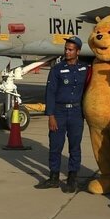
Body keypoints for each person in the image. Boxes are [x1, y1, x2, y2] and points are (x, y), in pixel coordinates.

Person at [36, 36, 89, 193]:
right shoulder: (57, 69)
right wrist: (51, 115)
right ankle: (53, 177)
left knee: (75, 147)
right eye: (66, 49)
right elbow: (50, 93)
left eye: (70, 49)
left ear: (78, 51)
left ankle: (72, 179)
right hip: (59, 112)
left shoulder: (85, 69)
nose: (67, 51)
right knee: (55, 146)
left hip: (76, 112)